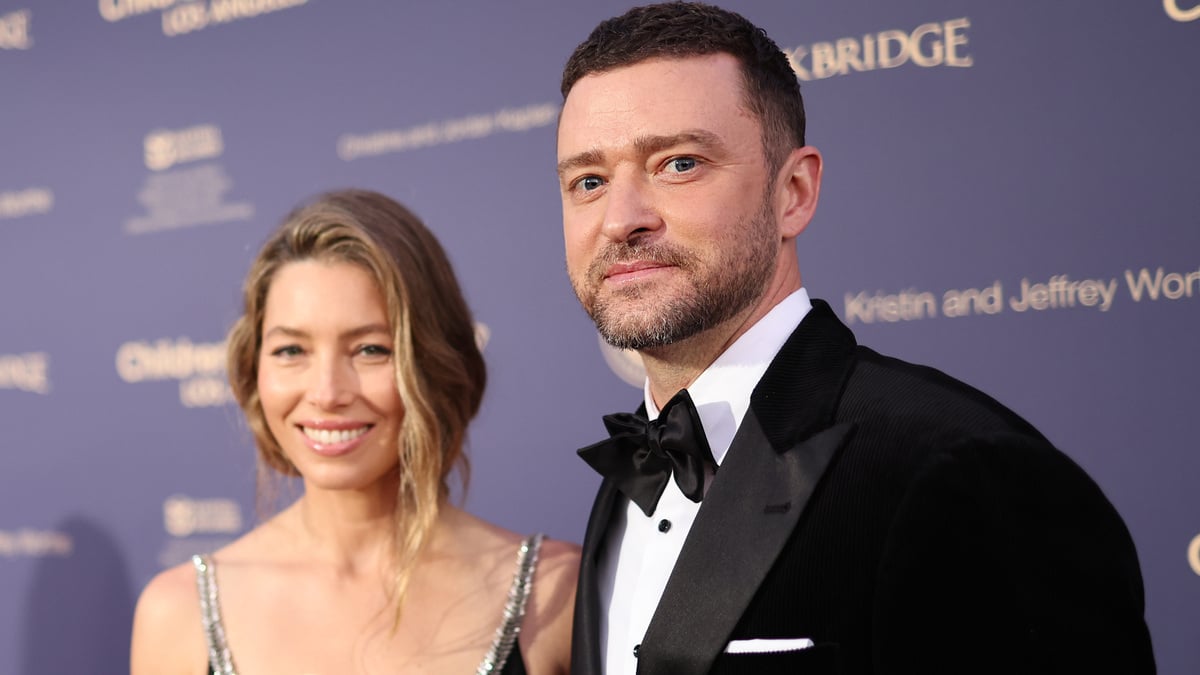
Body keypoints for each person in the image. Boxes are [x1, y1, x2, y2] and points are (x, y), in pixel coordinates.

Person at [554, 3, 1154, 674]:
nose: (620, 220)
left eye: (679, 164)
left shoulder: (961, 471)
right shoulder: (626, 480)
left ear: (795, 192)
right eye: (589, 181)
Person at [130, 189, 577, 674]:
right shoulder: (178, 614)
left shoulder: (554, 593)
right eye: (291, 351)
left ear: (433, 361)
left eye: (370, 350)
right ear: (252, 367)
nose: (327, 392)